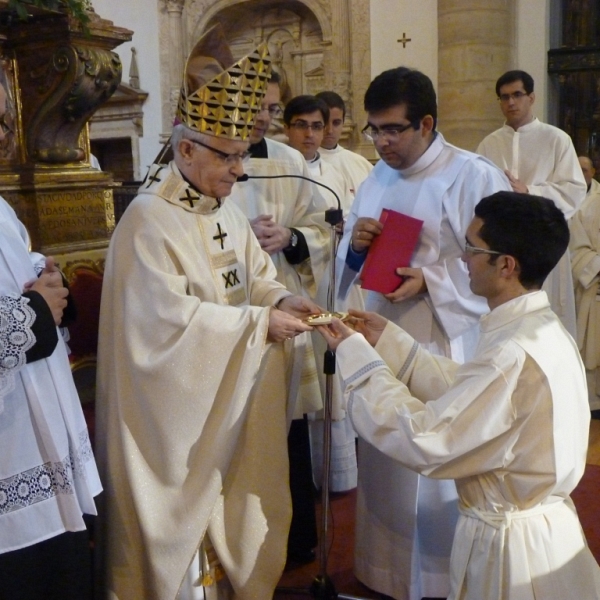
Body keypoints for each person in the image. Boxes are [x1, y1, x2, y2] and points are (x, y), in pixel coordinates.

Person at [96, 27, 322, 600]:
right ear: (186, 149)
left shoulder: (224, 212)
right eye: (228, 156)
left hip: (225, 408)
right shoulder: (148, 221)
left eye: (242, 154)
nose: (239, 170)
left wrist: (279, 300)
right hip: (172, 429)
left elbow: (258, 281)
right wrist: (256, 325)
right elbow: (162, 331)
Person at [320, 192, 600, 600]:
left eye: (472, 248)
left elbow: (428, 439)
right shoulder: (539, 328)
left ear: (506, 265)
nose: (463, 258)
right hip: (541, 532)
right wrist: (391, 344)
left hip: (510, 551)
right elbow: (473, 391)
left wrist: (357, 359)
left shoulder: (511, 352)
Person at [336, 66, 511, 600]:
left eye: (393, 129)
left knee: (435, 468)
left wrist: (430, 280)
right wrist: (359, 245)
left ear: (427, 123)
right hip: (385, 335)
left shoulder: (474, 176)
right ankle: (386, 575)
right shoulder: (376, 177)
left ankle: (439, 580)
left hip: (445, 340)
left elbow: (506, 265)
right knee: (388, 461)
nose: (382, 142)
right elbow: (349, 266)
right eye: (374, 130)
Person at [0, 82, 101, 600]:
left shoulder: (1, 210)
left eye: (3, 124)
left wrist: (48, 284)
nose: (0, 137)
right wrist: (36, 311)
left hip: (41, 444)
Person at [227, 78, 331, 565]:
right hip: (227, 311)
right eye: (255, 107)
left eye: (270, 108)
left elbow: (323, 227)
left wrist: (290, 236)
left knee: (286, 425)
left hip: (281, 294)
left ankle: (294, 539)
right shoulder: (205, 158)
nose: (263, 118)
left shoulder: (289, 163)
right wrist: (233, 237)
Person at [283, 94, 359, 493]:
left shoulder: (349, 166)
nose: (313, 134)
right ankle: (308, 477)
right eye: (303, 125)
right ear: (287, 127)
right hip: (295, 282)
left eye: (320, 125)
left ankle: (337, 474)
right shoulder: (277, 169)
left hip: (338, 281)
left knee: (336, 377)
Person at [477, 69, 586, 336]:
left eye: (517, 95)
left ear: (532, 97)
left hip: (543, 243)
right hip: (501, 247)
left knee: (544, 323)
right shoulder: (489, 145)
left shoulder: (556, 139)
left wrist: (530, 191)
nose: (511, 102)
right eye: (504, 97)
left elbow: (573, 190)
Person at [570, 156, 600, 414]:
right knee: (588, 346)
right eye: (576, 169)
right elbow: (575, 249)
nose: (581, 174)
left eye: (585, 169)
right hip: (586, 284)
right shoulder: (567, 200)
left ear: (594, 171)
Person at [315, 90, 373, 198]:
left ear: (343, 123)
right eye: (325, 122)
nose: (330, 130)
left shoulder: (361, 164)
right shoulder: (302, 162)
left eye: (336, 123)